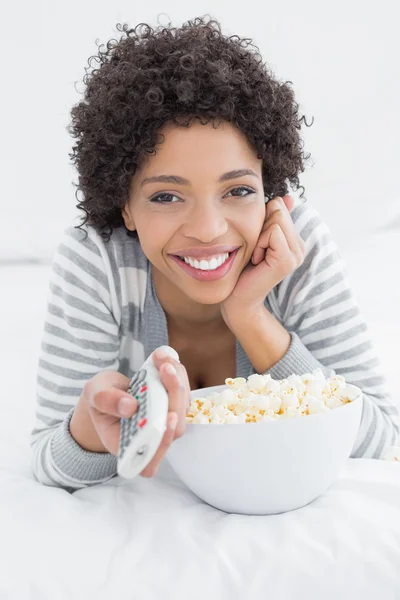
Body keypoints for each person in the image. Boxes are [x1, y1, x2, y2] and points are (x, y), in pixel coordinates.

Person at [30, 16, 399, 493]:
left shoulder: (294, 245)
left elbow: (384, 441)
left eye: (239, 190)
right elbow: (49, 463)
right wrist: (91, 427)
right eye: (166, 196)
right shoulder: (96, 260)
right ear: (125, 204)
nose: (207, 229)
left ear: (271, 191)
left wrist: (250, 317)